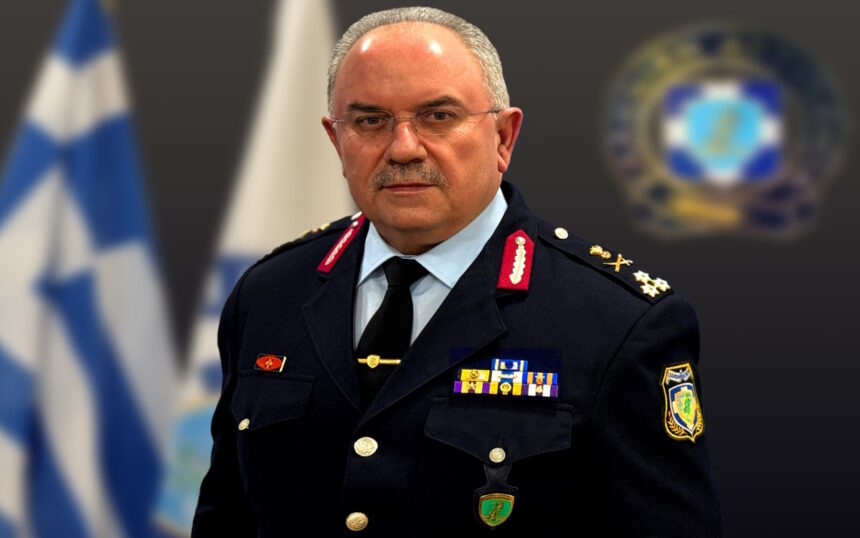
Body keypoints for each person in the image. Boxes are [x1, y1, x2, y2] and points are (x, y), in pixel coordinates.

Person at [192, 7, 720, 536]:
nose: (403, 148)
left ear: (504, 137)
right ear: (337, 140)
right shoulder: (269, 294)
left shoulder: (615, 322)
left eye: (438, 116)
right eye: (370, 121)